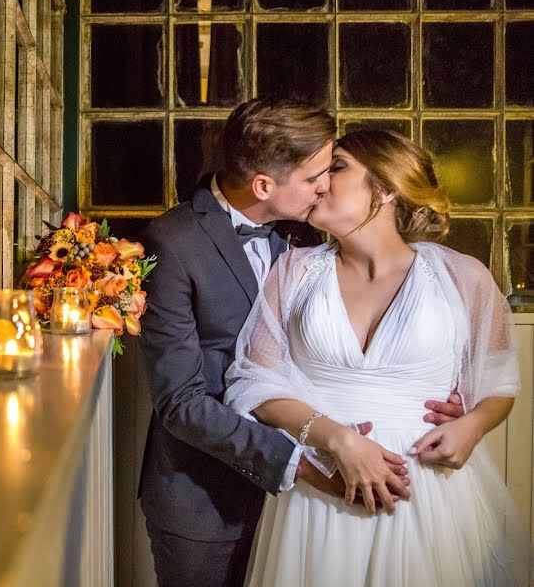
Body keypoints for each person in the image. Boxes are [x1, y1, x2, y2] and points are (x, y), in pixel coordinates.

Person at [137, 100, 462, 587]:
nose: (325, 185)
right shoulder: (174, 241)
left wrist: (426, 400)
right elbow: (181, 402)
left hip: (312, 507)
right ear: (264, 186)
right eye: (315, 176)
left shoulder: (308, 228)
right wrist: (302, 463)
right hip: (209, 496)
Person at [224, 129, 527, 585]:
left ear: (385, 189)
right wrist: (336, 440)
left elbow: (499, 382)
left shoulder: (460, 276)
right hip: (324, 486)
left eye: (337, 167)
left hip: (426, 486)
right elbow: (254, 383)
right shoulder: (294, 270)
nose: (321, 182)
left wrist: (473, 425)